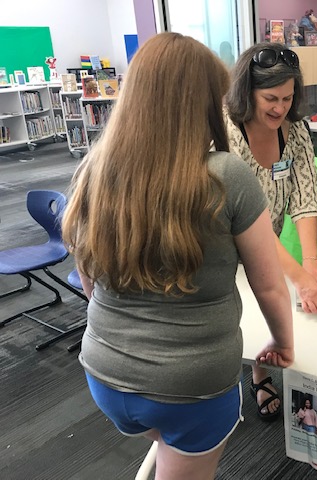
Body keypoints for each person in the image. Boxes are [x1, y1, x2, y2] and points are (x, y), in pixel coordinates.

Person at [61, 33, 294, 480]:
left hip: (104, 374)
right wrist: (283, 344)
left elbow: (88, 274)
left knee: (163, 441)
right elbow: (268, 285)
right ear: (202, 103)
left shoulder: (95, 169)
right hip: (193, 388)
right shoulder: (227, 176)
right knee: (180, 450)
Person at [225, 42, 317, 421]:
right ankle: (230, 378)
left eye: (288, 98)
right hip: (222, 243)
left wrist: (310, 261)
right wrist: (300, 278)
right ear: (247, 93)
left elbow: (305, 198)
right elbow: (245, 221)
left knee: (269, 304)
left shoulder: (296, 131)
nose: (280, 108)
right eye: (270, 99)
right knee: (232, 314)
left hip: (265, 242)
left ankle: (259, 371)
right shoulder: (228, 134)